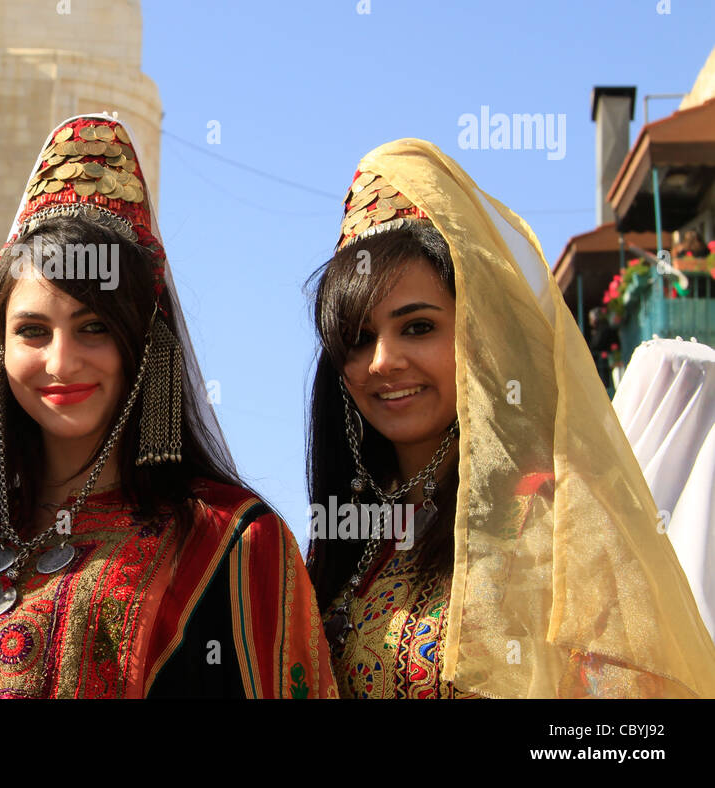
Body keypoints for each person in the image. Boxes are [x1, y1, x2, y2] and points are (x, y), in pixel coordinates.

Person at [0, 114, 336, 698]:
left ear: (145, 346)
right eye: (32, 330)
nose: (61, 361)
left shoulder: (233, 543)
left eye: (93, 327)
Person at [306, 137, 715, 698]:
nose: (383, 362)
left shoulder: (556, 523)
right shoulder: (353, 539)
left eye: (418, 327)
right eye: (358, 338)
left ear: (479, 335)